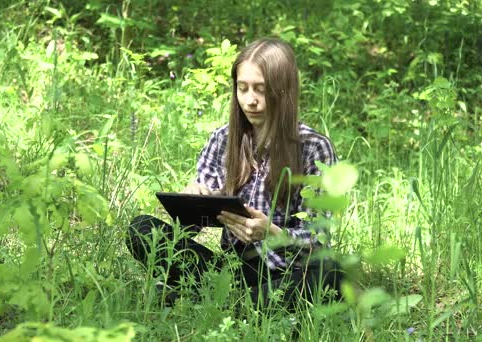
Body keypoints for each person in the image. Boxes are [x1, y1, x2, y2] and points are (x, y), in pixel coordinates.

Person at [126, 38, 343, 309]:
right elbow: (187, 231)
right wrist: (192, 200)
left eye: (261, 90)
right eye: (243, 89)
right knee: (143, 229)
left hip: (288, 272)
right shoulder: (222, 139)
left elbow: (318, 240)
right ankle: (237, 302)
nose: (250, 100)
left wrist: (271, 232)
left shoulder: (314, 148)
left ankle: (210, 301)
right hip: (232, 270)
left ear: (283, 91)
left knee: (330, 273)